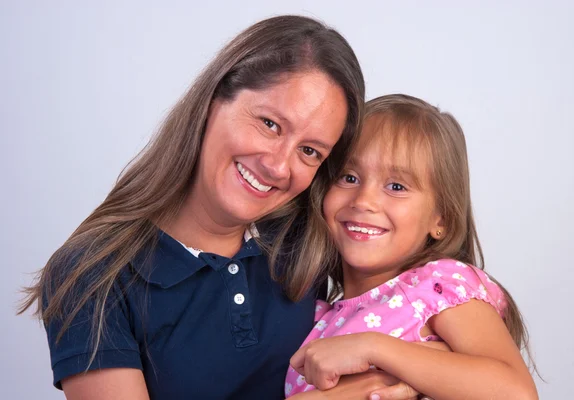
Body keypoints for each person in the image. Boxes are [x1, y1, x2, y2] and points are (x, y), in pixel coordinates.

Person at [19, 15, 370, 399]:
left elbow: (431, 303)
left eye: (309, 151)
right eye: (270, 124)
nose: (278, 166)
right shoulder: (93, 275)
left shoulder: (308, 237)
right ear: (213, 101)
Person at [286, 94, 539, 399]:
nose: (364, 200)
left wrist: (373, 347)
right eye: (348, 177)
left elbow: (516, 394)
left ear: (441, 219)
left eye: (396, 186)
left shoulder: (437, 287)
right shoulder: (313, 319)